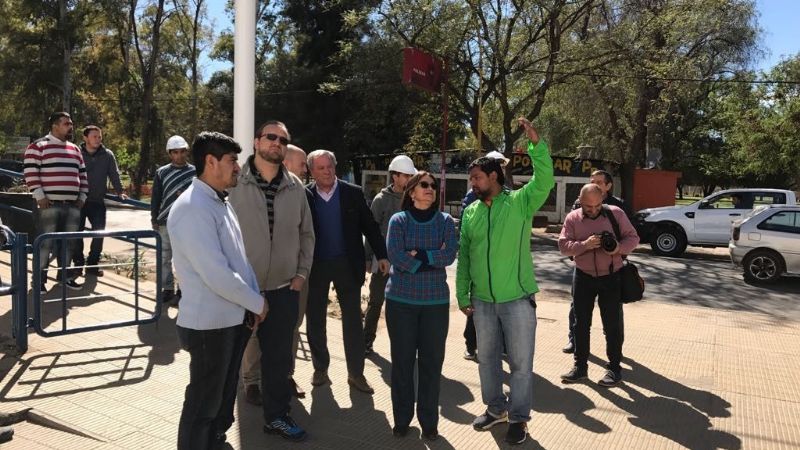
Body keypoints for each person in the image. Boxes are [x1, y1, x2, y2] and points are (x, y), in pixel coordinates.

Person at [456, 118, 554, 446]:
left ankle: (519, 417)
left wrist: (537, 146)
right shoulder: (471, 213)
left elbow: (544, 180)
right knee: (487, 360)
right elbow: (465, 256)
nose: (472, 183)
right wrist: (462, 294)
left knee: (521, 364)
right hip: (482, 301)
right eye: (471, 178)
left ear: (494, 177)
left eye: (477, 177)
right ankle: (496, 409)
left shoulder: (520, 203)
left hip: (517, 299)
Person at [169, 132, 268, 450]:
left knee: (222, 399)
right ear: (210, 162)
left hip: (231, 320)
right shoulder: (192, 208)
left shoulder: (219, 201)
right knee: (204, 403)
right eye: (232, 160)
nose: (237, 167)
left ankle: (214, 441)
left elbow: (240, 259)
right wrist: (256, 302)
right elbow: (215, 273)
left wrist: (253, 301)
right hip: (208, 327)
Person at [230, 121, 314, 442]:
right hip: (241, 290)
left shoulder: (295, 187)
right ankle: (217, 426)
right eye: (271, 137)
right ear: (256, 142)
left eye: (283, 139)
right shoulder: (234, 182)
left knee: (278, 363)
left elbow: (307, 234)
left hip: (283, 290)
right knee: (228, 359)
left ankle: (277, 417)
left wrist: (301, 274)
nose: (277, 142)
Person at [305, 149, 388, 394]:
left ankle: (356, 374)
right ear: (312, 171)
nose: (327, 171)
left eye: (330, 166)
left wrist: (382, 255)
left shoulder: (352, 193)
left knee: (352, 321)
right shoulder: (304, 196)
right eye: (321, 168)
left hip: (347, 265)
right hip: (315, 266)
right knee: (315, 320)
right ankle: (320, 368)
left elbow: (370, 226)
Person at [385, 171, 458, 441]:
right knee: (402, 363)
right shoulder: (399, 220)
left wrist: (419, 255)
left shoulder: (445, 221)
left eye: (433, 186)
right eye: (424, 185)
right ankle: (402, 419)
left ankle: (429, 422)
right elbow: (396, 255)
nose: (430, 189)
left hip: (435, 304)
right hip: (400, 303)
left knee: (431, 364)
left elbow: (449, 254)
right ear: (412, 191)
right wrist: (429, 260)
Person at [558, 183, 639, 387]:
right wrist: (584, 245)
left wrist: (618, 248)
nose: (593, 210)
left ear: (602, 199)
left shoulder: (615, 214)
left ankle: (614, 368)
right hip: (583, 276)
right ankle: (580, 367)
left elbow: (633, 238)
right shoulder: (572, 218)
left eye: (597, 206)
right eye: (588, 206)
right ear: (580, 201)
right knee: (580, 324)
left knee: (612, 325)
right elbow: (563, 246)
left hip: (612, 276)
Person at [563, 169, 631, 354]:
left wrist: (618, 249)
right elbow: (568, 235)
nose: (595, 185)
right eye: (592, 181)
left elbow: (630, 236)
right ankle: (574, 341)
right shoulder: (578, 204)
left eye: (599, 182)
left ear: (608, 186)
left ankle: (616, 351)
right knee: (578, 311)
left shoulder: (617, 207)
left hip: (611, 270)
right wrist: (580, 249)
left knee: (613, 314)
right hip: (583, 271)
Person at [24, 112, 88, 293]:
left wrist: (82, 197)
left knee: (69, 243)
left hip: (72, 205)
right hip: (48, 205)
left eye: (71, 123)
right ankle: (38, 281)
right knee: (45, 244)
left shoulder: (75, 149)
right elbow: (30, 172)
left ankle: (65, 277)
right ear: (55, 125)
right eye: (67, 124)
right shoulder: (38, 146)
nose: (71, 127)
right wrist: (39, 195)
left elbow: (82, 174)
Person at [363, 154, 417, 356]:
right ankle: (366, 341)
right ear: (395, 176)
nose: (409, 179)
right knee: (376, 302)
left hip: (407, 263)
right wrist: (368, 258)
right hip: (383, 261)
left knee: (404, 307)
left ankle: (405, 345)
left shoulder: (413, 199)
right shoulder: (381, 200)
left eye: (411, 176)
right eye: (406, 175)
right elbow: (371, 232)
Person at [461, 150, 510, 361]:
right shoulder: (473, 197)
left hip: (503, 276)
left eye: (502, 165)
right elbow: (466, 240)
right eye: (498, 164)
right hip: (480, 276)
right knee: (475, 313)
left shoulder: (509, 196)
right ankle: (471, 345)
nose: (501, 169)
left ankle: (503, 345)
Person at [72, 125, 127, 277]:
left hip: (97, 201)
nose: (98, 139)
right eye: (94, 136)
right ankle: (78, 264)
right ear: (85, 138)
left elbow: (114, 174)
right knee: (76, 234)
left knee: (99, 234)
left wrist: (120, 191)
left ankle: (92, 264)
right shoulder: (76, 153)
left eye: (99, 136)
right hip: (78, 201)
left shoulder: (107, 155)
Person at [150, 135, 196, 305]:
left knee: (184, 259)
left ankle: (183, 291)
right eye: (175, 152)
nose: (179, 155)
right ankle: (167, 289)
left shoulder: (195, 172)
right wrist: (154, 218)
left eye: (182, 151)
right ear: (170, 154)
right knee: (164, 257)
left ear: (186, 152)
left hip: (187, 222)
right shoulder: (161, 172)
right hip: (165, 220)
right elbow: (156, 197)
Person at [284, 143, 310, 399]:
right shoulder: (256, 190)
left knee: (292, 327)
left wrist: (302, 272)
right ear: (286, 163)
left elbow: (307, 234)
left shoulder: (301, 191)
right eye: (302, 164)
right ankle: (251, 381)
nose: (306, 169)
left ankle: (286, 375)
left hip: (297, 276)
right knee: (257, 329)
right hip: (266, 275)